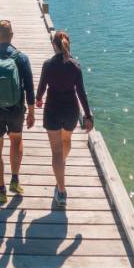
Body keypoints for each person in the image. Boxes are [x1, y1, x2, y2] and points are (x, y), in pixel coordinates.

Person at [0, 20, 35, 203]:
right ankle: (15, 181)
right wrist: (31, 111)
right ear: (11, 35)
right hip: (16, 109)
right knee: (16, 140)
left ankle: (1, 189)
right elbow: (30, 88)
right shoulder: (21, 58)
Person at [34, 30, 92, 209]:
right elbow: (81, 93)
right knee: (66, 141)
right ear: (68, 45)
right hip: (71, 112)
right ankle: (61, 166)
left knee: (56, 152)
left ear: (54, 45)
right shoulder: (75, 65)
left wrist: (38, 99)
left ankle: (61, 191)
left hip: (52, 111)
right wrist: (88, 116)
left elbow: (41, 88)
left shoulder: (47, 65)